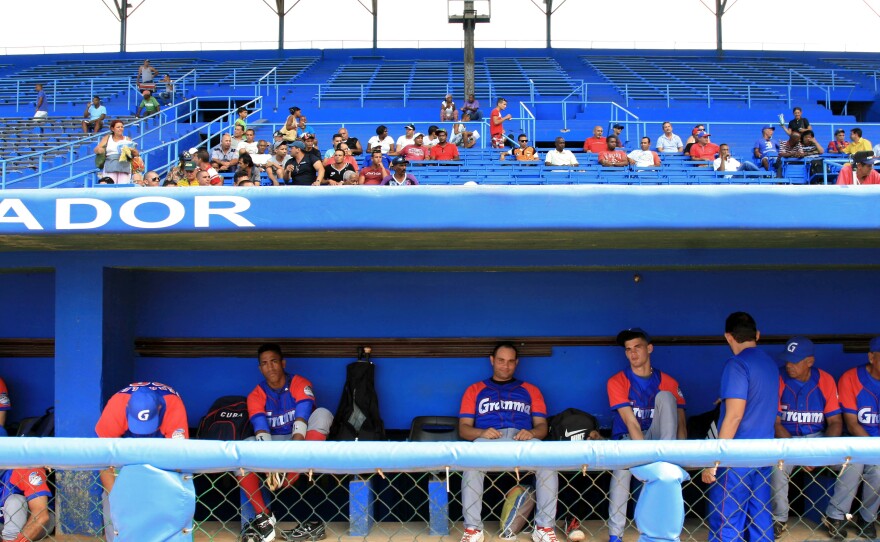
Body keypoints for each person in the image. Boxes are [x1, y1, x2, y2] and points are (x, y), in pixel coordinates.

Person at [458, 342, 557, 542]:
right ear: (492, 361)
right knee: (471, 464)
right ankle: (473, 529)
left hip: (521, 439)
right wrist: (482, 432)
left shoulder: (530, 390)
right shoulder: (475, 390)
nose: (506, 366)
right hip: (488, 440)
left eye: (511, 361)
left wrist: (531, 433)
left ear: (517, 363)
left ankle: (544, 528)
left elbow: (542, 426)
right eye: (501, 361)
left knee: (548, 462)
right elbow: (463, 429)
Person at [240, 343, 333, 542]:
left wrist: (291, 466)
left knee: (323, 414)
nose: (270, 367)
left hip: (300, 440)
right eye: (264, 363)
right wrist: (269, 463)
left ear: (283, 363)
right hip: (273, 444)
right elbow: (260, 427)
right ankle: (264, 517)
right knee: (243, 448)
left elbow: (302, 417)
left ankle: (295, 473)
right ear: (260, 368)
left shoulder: (299, 382)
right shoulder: (256, 394)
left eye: (274, 361)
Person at [702, 312, 778, 542]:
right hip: (764, 454)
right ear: (757, 335)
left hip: (737, 458)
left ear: (728, 336)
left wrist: (715, 461)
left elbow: (734, 416)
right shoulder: (770, 363)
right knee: (760, 519)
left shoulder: (737, 364)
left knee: (727, 520)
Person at [607, 328, 686, 542]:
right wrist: (644, 454)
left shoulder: (668, 380)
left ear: (649, 348)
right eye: (628, 349)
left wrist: (679, 454)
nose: (633, 353)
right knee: (621, 477)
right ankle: (615, 535)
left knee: (666, 397)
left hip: (659, 439)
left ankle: (667, 457)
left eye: (638, 347)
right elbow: (630, 421)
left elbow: (680, 422)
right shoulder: (617, 381)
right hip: (630, 440)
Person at [95, 382, 189, 542]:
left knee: (171, 497)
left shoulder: (173, 405)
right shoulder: (116, 406)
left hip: (162, 447)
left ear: (159, 409)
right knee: (113, 499)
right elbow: (103, 461)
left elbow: (178, 461)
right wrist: (118, 496)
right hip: (124, 446)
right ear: (127, 409)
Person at [772, 336, 842, 539]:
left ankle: (835, 516)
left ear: (809, 361)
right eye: (787, 360)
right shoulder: (778, 378)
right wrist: (800, 453)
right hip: (787, 439)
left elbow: (836, 422)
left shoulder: (825, 379)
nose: (789, 365)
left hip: (818, 438)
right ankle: (779, 519)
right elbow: (775, 424)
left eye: (795, 361)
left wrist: (820, 452)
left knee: (853, 464)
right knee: (778, 467)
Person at [823, 336, 880, 540]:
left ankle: (867, 518)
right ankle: (835, 516)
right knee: (855, 463)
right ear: (872, 357)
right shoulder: (851, 378)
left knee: (879, 470)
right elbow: (852, 423)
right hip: (854, 441)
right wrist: (874, 448)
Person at [0, 465, 54, 541]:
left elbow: (41, 516)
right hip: (2, 524)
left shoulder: (25, 469)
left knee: (15, 501)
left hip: (34, 524)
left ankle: (10, 539)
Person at [94, 119, 138, 184]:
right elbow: (96, 149)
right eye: (118, 127)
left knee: (123, 186)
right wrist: (100, 150)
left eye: (122, 127)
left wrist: (132, 150)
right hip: (110, 164)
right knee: (109, 185)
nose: (120, 129)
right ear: (112, 129)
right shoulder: (107, 138)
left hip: (124, 165)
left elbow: (136, 154)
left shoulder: (127, 139)